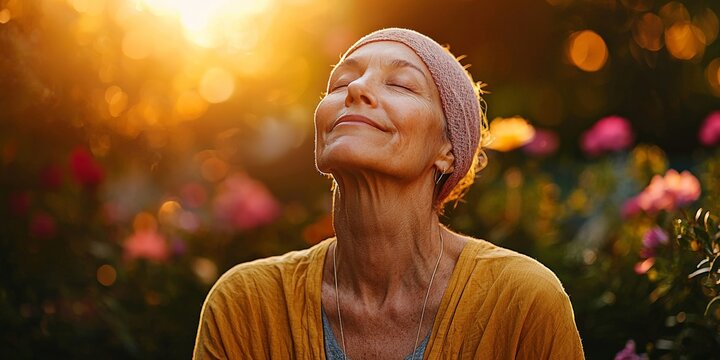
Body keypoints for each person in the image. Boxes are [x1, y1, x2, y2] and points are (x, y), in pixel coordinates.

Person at [193, 27, 584, 359]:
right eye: (341, 83)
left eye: (400, 84)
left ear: (448, 151)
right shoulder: (244, 304)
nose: (357, 89)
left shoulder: (523, 301)